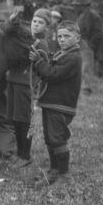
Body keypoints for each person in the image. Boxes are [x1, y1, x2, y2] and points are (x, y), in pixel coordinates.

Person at [29, 20, 82, 185]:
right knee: (50, 138)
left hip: (60, 105)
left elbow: (52, 74)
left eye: (67, 36)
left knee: (57, 139)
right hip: (51, 103)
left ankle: (64, 176)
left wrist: (39, 62)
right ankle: (54, 171)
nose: (62, 39)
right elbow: (51, 66)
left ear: (77, 38)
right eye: (60, 36)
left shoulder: (73, 57)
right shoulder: (62, 54)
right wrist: (43, 59)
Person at [6, 7, 52, 169]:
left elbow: (44, 69)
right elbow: (18, 32)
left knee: (23, 120)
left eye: (41, 23)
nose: (36, 25)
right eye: (34, 21)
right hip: (13, 82)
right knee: (14, 119)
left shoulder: (41, 44)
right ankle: (20, 152)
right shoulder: (29, 38)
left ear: (47, 27)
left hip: (25, 86)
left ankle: (25, 155)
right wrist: (14, 21)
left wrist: (37, 59)